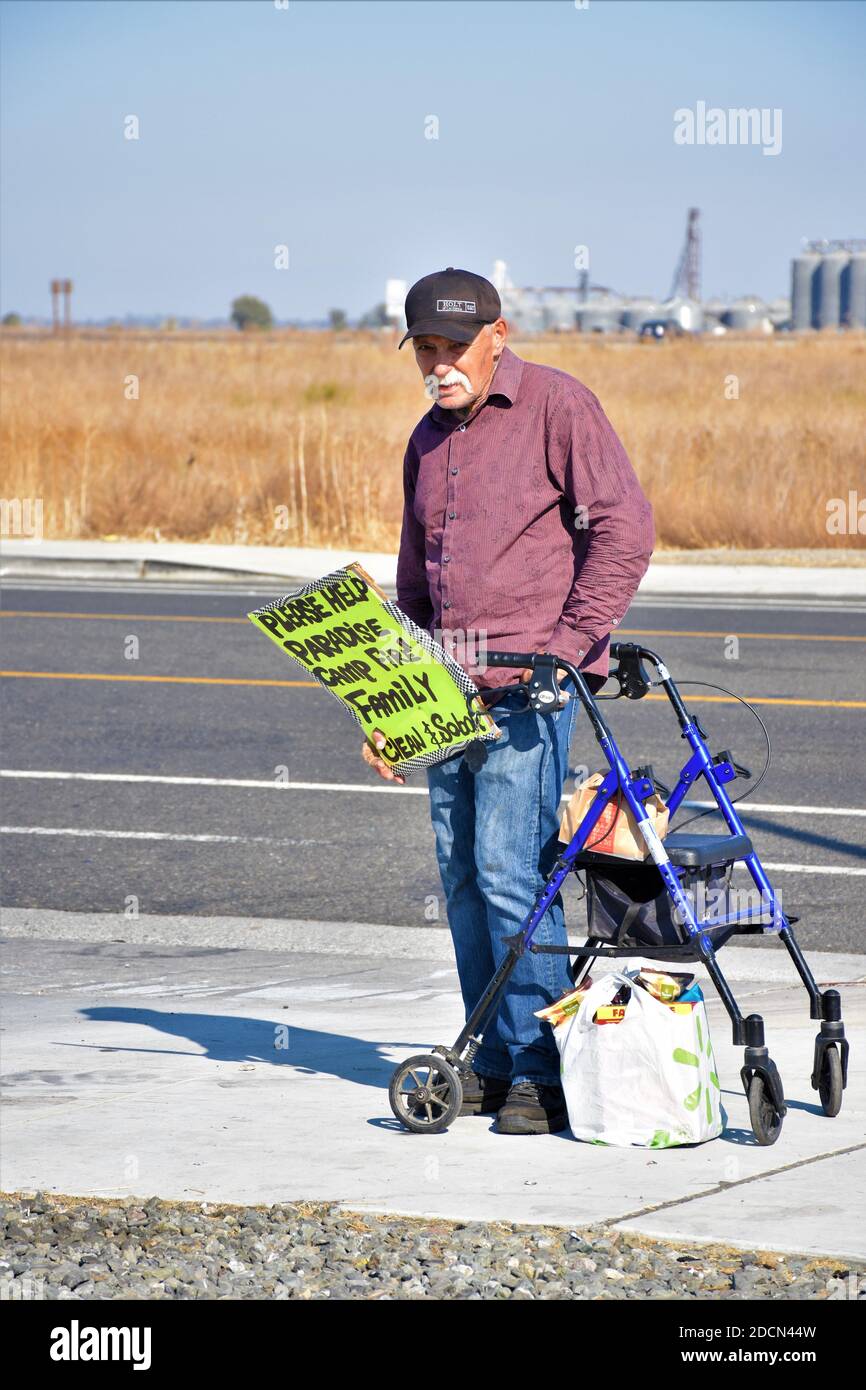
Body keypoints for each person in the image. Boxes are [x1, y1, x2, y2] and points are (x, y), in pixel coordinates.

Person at [362, 267, 654, 1134]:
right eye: (426, 350)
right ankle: (488, 1056)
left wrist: (567, 653)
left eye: (454, 347)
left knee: (506, 872)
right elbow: (416, 586)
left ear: (498, 332)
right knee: (459, 880)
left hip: (532, 688)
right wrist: (390, 706)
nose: (440, 365)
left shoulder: (559, 406)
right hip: (445, 692)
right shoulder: (424, 439)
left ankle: (540, 1066)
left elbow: (625, 529)